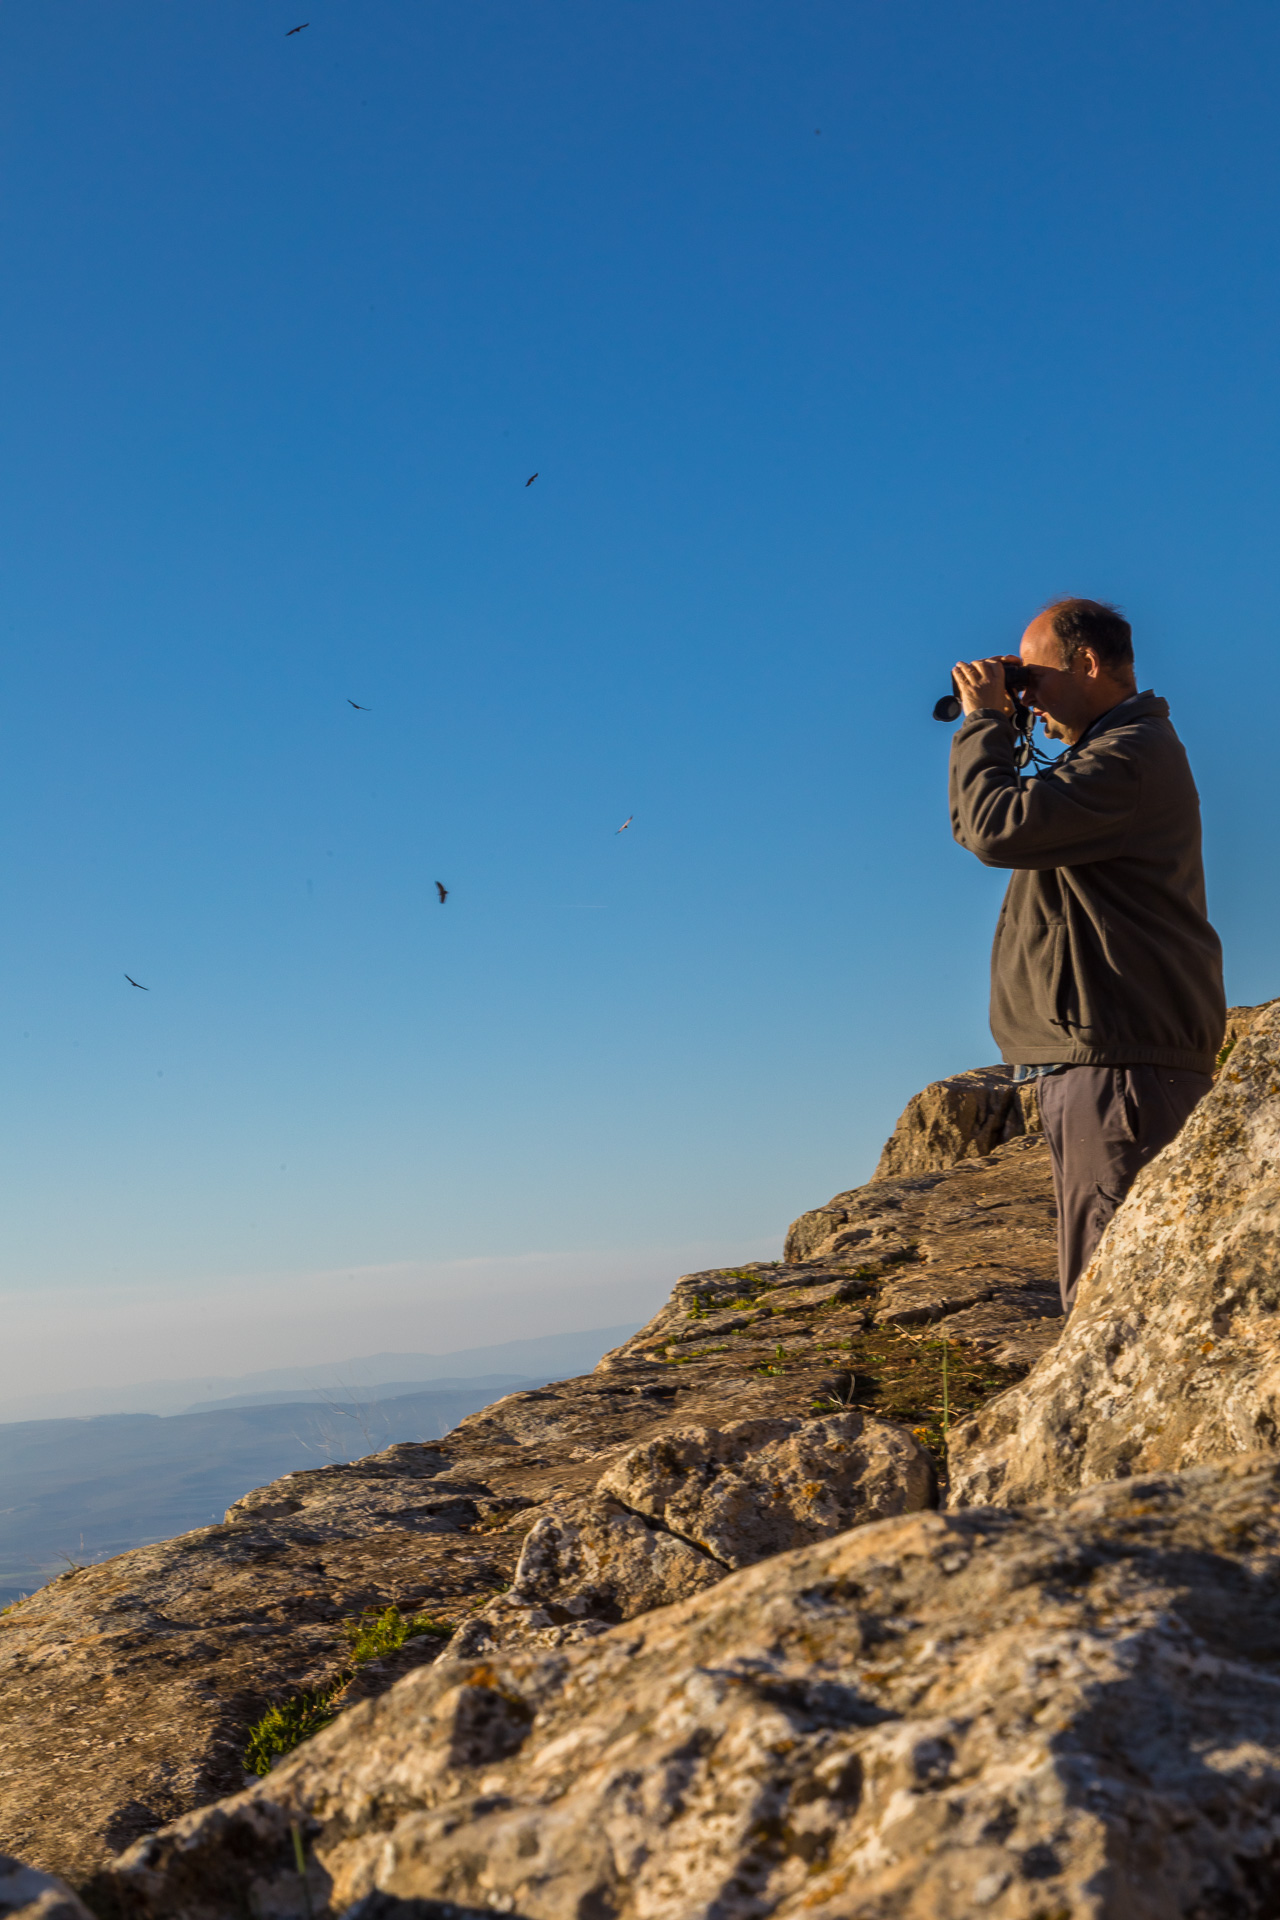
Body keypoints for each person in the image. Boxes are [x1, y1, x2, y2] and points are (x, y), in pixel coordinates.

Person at [949, 598, 1225, 1313]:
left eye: (1032, 678)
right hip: (1105, 1055)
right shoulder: (1113, 756)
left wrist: (984, 720)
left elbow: (992, 828)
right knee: (1107, 1287)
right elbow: (996, 824)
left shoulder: (1129, 759)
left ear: (1089, 664)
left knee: (1115, 1302)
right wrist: (1004, 724)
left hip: (1118, 1062)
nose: (1027, 698)